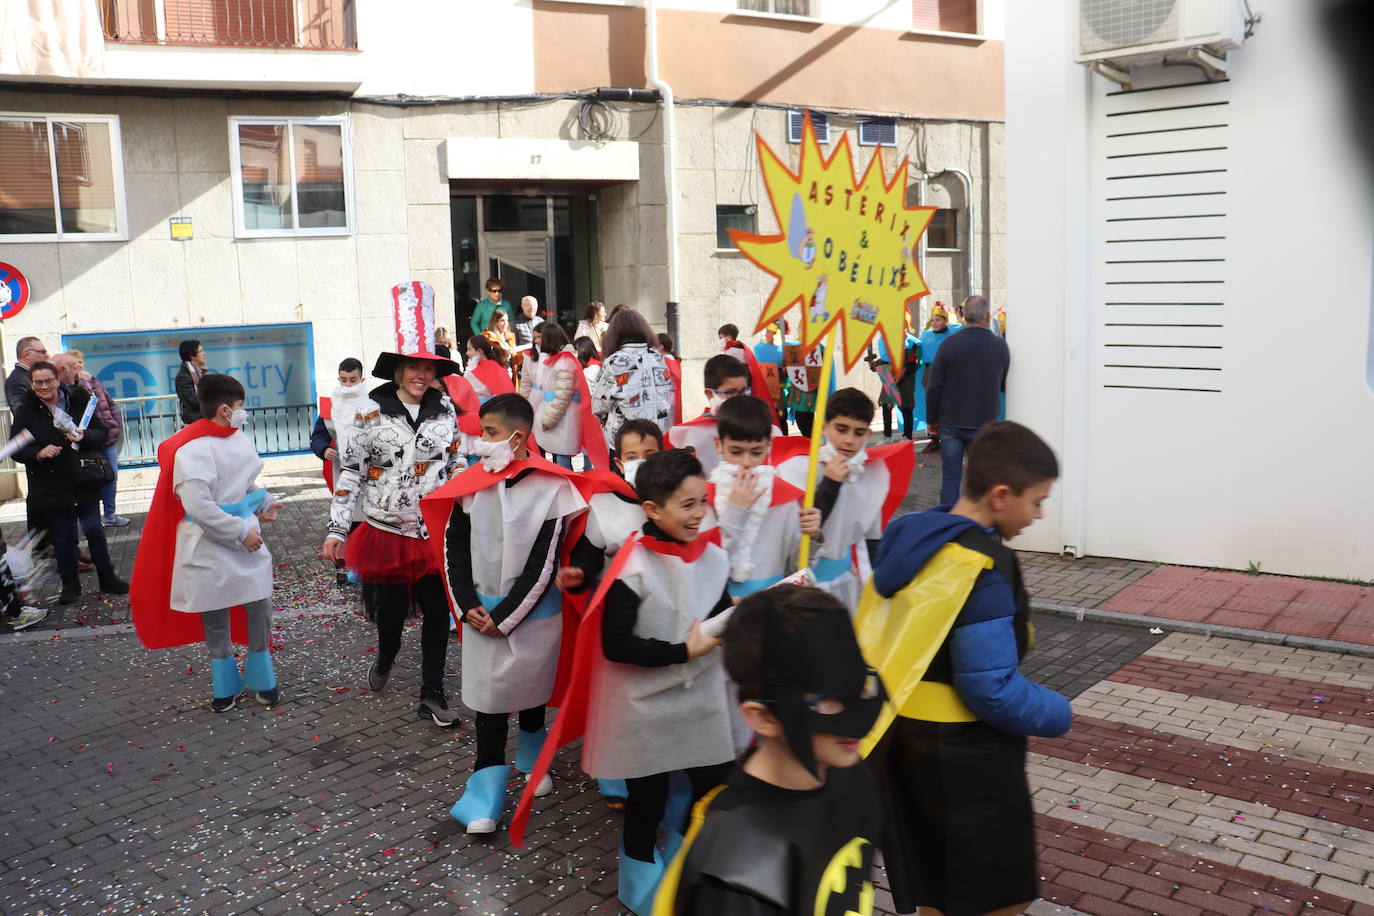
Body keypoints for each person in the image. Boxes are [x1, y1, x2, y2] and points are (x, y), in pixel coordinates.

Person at [859, 421, 1071, 916]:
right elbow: (990, 688)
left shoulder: (912, 536)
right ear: (1001, 495)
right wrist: (1057, 712)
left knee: (937, 887)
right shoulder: (984, 566)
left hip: (904, 740)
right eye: (1037, 501)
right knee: (1001, 897)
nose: (1040, 514)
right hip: (966, 757)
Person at [549, 449, 736, 914]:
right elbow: (617, 645)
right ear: (652, 509)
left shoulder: (710, 556)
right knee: (647, 798)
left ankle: (688, 862)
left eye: (702, 502)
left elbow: (720, 610)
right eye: (687, 505)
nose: (698, 515)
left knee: (711, 784)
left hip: (700, 700)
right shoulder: (631, 566)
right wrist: (684, 650)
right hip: (645, 707)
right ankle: (637, 872)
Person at [655, 585, 885, 916]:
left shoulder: (849, 771)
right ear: (763, 717)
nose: (857, 711)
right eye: (825, 697)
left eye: (857, 682)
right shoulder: (736, 881)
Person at [425, 393, 588, 836]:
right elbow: (453, 547)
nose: (481, 442)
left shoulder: (554, 487)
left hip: (533, 612)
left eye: (490, 433)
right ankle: (485, 793)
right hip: (480, 612)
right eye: (480, 432)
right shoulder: (470, 483)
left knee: (531, 691)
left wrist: (508, 616)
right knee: (489, 703)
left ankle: (533, 758)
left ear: (519, 437)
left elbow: (545, 560)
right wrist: (467, 606)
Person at [320, 281, 464, 728]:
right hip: (385, 533)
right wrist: (337, 529)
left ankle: (432, 693)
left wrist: (463, 498)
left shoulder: (446, 410)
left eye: (429, 368)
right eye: (414, 367)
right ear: (398, 370)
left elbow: (457, 460)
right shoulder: (368, 413)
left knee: (438, 614)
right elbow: (351, 474)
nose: (422, 375)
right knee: (391, 616)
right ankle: (385, 657)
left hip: (432, 533)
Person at [172, 375, 282, 711]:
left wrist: (264, 503)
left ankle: (261, 675)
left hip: (244, 538)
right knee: (214, 612)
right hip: (208, 543)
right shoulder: (191, 452)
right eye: (239, 407)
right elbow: (198, 506)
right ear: (224, 409)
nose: (243, 412)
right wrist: (238, 530)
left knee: (259, 605)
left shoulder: (241, 440)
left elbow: (246, 486)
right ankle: (225, 681)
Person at [777, 388, 914, 610]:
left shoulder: (873, 474)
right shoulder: (798, 471)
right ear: (824, 427)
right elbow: (798, 539)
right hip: (802, 586)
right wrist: (830, 482)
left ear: (868, 435)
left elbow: (871, 539)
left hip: (849, 582)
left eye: (859, 433)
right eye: (841, 429)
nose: (849, 440)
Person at [10, 361, 129, 605]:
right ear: (31, 385)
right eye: (37, 382)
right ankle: (70, 586)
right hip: (50, 483)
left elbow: (102, 433)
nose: (43, 386)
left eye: (48, 381)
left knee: (94, 529)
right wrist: (38, 453)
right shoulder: (26, 410)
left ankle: (107, 577)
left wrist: (84, 436)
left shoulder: (78, 399)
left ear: (57, 380)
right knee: (63, 537)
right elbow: (16, 448)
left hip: (83, 477)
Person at [707, 395, 819, 599]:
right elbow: (705, 565)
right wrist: (734, 512)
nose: (746, 462)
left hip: (772, 603)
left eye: (756, 452)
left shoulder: (785, 497)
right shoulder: (704, 498)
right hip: (719, 604)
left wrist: (813, 537)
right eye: (736, 452)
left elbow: (797, 565)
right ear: (718, 444)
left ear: (768, 446)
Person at [926, 295, 1011, 508]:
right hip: (984, 423)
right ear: (988, 316)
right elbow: (1001, 383)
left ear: (963, 316)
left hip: (951, 421)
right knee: (980, 480)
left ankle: (949, 526)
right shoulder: (1000, 347)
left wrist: (932, 419)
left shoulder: (948, 345)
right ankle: (976, 527)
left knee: (951, 477)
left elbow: (935, 387)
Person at [668, 353, 775, 477]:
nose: (739, 398)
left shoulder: (765, 427)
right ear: (709, 394)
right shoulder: (689, 433)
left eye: (743, 391)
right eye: (731, 392)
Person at [310, 358, 368, 585]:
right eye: (344, 380)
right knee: (347, 517)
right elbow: (318, 437)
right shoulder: (329, 407)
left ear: (362, 380)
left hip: (370, 473)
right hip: (343, 471)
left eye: (353, 380)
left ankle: (368, 564)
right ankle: (347, 565)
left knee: (370, 517)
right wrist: (324, 450)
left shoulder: (373, 405)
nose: (348, 385)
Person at [520, 323, 606, 470]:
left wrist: (547, 420)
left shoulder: (564, 362)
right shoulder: (559, 360)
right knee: (560, 458)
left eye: (541, 337)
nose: (536, 342)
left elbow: (562, 397)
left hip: (562, 420)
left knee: (562, 462)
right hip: (559, 418)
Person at [591, 308, 675, 452]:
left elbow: (598, 406)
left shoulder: (615, 361)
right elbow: (667, 392)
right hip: (656, 435)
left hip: (625, 440)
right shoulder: (658, 358)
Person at [63, 350, 129, 527]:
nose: (79, 365)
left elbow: (109, 402)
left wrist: (115, 422)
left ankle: (110, 513)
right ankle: (96, 515)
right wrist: (83, 380)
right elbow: (84, 401)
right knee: (94, 475)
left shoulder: (94, 380)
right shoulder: (71, 386)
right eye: (75, 363)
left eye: (81, 362)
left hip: (108, 435)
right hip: (91, 439)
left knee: (111, 476)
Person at [867, 318, 920, 441]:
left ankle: (907, 436)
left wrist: (902, 376)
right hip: (889, 378)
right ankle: (887, 435)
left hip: (905, 380)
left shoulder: (911, 343)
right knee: (887, 405)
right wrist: (875, 366)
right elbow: (884, 361)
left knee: (906, 407)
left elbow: (912, 363)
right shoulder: (885, 342)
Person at [918, 303, 960, 453]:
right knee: (932, 405)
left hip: (949, 373)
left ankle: (950, 438)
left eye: (938, 319)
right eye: (933, 320)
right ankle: (934, 439)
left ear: (945, 320)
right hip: (930, 373)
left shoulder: (954, 335)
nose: (935, 322)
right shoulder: (926, 337)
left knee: (948, 405)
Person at [5, 336, 48, 409]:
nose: (46, 355)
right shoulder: (17, 380)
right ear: (27, 355)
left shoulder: (30, 375)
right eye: (42, 352)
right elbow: (21, 412)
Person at [174, 340, 207, 427]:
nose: (204, 353)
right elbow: (194, 402)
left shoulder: (199, 370)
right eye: (200, 351)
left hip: (204, 418)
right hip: (194, 422)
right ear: (192, 356)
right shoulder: (183, 376)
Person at [483, 310, 518, 381]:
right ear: (495, 322)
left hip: (510, 373)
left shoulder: (510, 337)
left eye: (507, 320)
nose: (505, 323)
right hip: (495, 374)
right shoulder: (488, 336)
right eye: (502, 320)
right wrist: (503, 352)